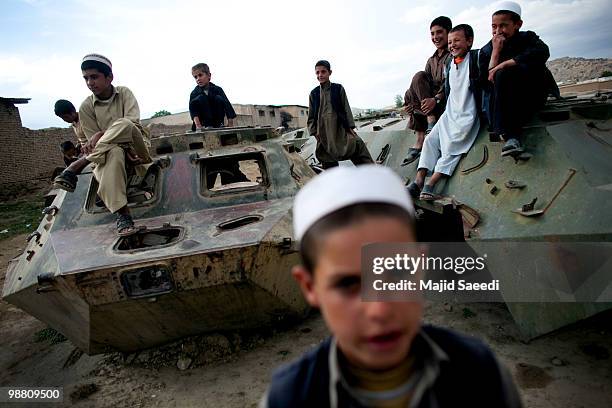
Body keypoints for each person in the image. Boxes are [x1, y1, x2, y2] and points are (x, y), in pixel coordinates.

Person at [260, 165, 522, 407]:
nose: (379, 311)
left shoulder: (480, 375)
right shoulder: (288, 399)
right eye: (348, 284)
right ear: (310, 287)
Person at [53, 53, 152, 236]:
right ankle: (124, 217)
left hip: (138, 148)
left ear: (109, 77)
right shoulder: (86, 108)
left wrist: (100, 134)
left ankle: (77, 165)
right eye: (86, 78)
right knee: (112, 153)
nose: (90, 82)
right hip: (109, 152)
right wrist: (101, 140)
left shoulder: (124, 93)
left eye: (94, 77)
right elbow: (98, 147)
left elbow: (133, 124)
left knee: (126, 124)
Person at [407, 24, 482, 201]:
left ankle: (430, 184)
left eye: (457, 40)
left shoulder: (477, 58)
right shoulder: (449, 63)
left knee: (451, 149)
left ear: (469, 41)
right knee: (430, 141)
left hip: (467, 114)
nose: (452, 45)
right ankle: (418, 181)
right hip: (449, 113)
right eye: (451, 42)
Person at [479, 1, 550, 156]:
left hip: (532, 93)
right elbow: (487, 81)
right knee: (501, 75)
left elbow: (542, 52)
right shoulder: (487, 50)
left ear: (517, 24)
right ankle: (511, 137)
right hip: (505, 100)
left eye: (503, 25)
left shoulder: (528, 38)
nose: (498, 31)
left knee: (507, 71)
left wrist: (508, 63)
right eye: (494, 26)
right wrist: (496, 52)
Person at [402, 16, 453, 165]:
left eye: (439, 32)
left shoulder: (453, 55)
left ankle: (427, 126)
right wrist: (411, 102)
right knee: (415, 82)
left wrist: (436, 99)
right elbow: (421, 85)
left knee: (418, 85)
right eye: (432, 34)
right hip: (429, 107)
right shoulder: (431, 61)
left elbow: (452, 84)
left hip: (444, 102)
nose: (435, 37)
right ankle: (421, 135)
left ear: (449, 32)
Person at [307, 60, 374, 169]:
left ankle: (373, 177)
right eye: (317, 73)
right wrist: (315, 133)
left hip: (340, 130)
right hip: (324, 135)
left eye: (323, 72)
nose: (320, 75)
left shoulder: (338, 89)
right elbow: (311, 117)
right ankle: (335, 184)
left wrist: (351, 127)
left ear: (330, 72)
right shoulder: (313, 94)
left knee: (357, 146)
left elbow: (346, 108)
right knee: (328, 163)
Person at [189, 63, 237, 130]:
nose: (198, 79)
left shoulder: (218, 90)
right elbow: (193, 110)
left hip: (217, 123)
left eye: (200, 75)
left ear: (209, 75)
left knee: (218, 98)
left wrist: (230, 124)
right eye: (195, 77)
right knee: (200, 98)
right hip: (203, 124)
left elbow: (227, 105)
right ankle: (206, 125)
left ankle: (220, 124)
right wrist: (198, 125)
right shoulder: (194, 93)